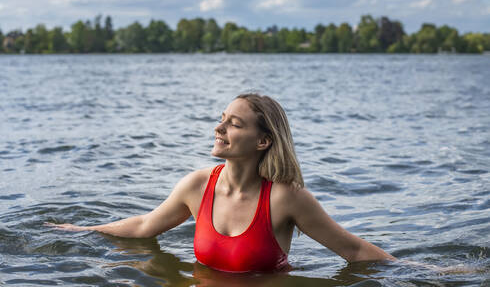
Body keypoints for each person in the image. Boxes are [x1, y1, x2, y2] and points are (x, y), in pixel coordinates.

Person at [46, 93, 396, 272]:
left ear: (263, 141)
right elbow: (143, 226)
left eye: (234, 124)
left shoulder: (286, 198)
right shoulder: (197, 186)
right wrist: (81, 230)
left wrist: (430, 274)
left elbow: (353, 250)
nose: (219, 128)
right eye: (221, 119)